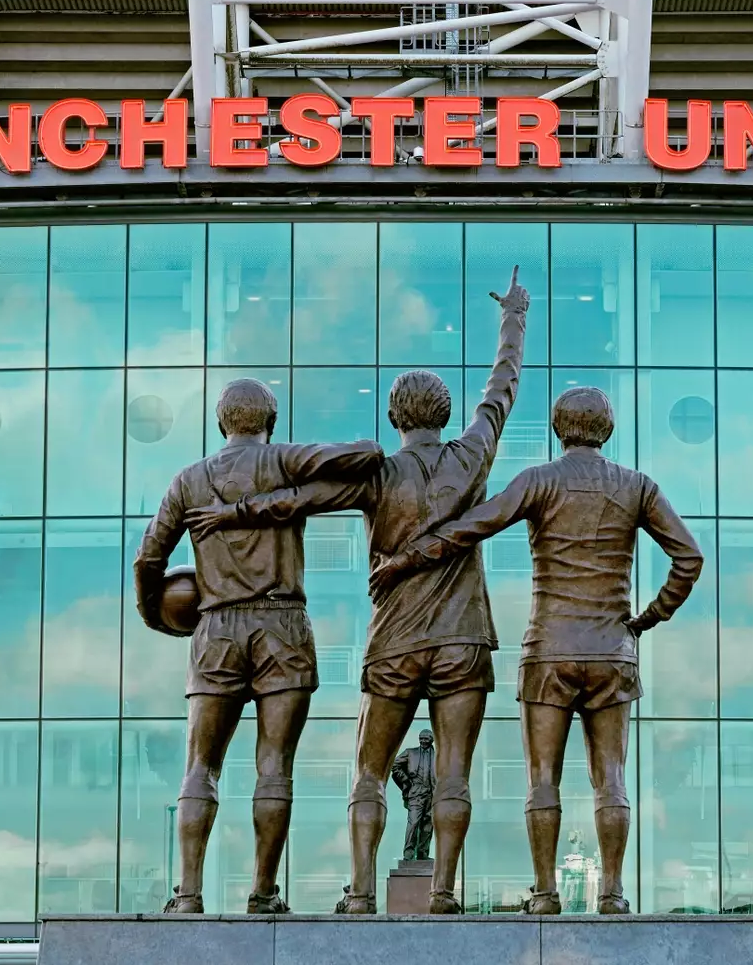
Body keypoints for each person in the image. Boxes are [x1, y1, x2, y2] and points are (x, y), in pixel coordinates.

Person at [183, 269, 530, 914]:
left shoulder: (378, 476)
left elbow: (299, 500)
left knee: (370, 772)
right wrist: (514, 319)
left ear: (395, 418)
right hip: (463, 639)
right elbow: (501, 389)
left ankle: (363, 893)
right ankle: (443, 894)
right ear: (444, 415)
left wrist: (232, 512)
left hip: (394, 641)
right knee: (454, 772)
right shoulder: (472, 457)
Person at [368, 386, 703, 914]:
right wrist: (648, 617)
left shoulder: (538, 481)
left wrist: (404, 560)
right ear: (607, 430)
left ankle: (546, 893)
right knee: (611, 779)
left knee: (542, 779)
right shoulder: (637, 486)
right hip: (612, 649)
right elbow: (689, 557)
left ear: (557, 429)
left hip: (549, 650)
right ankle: (612, 893)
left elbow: (470, 527)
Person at [133, 377, 384, 915]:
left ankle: (189, 895)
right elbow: (368, 454)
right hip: (282, 625)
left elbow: (148, 559)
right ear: (270, 422)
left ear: (221, 423)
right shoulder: (284, 460)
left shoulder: (189, 480)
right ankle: (263, 893)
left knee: (200, 767)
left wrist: (155, 616)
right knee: (275, 766)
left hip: (216, 629)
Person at [391, 729, 436, 861]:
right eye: (421, 738)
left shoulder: (438, 756)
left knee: (428, 825)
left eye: (426, 739)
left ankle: (423, 853)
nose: (423, 741)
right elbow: (395, 765)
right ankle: (408, 853)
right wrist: (405, 780)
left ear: (431, 740)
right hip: (416, 793)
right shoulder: (411, 753)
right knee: (413, 823)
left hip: (432, 794)